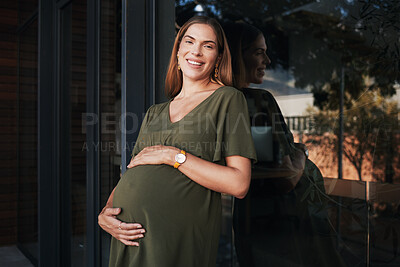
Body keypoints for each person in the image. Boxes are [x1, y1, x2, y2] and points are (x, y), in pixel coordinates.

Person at [98, 16, 257, 267]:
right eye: (190, 41)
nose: (196, 50)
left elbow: (239, 183)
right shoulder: (155, 111)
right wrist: (106, 212)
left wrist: (173, 156)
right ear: (178, 51)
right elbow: (131, 171)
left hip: (175, 236)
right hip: (128, 234)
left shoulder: (227, 99)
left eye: (208, 45)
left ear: (218, 57)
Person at [224, 22, 345, 267]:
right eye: (259, 52)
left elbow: (263, 159)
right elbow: (285, 177)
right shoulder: (257, 103)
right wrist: (301, 151)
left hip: (256, 225)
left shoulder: (224, 103)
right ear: (237, 54)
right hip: (291, 228)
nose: (267, 60)